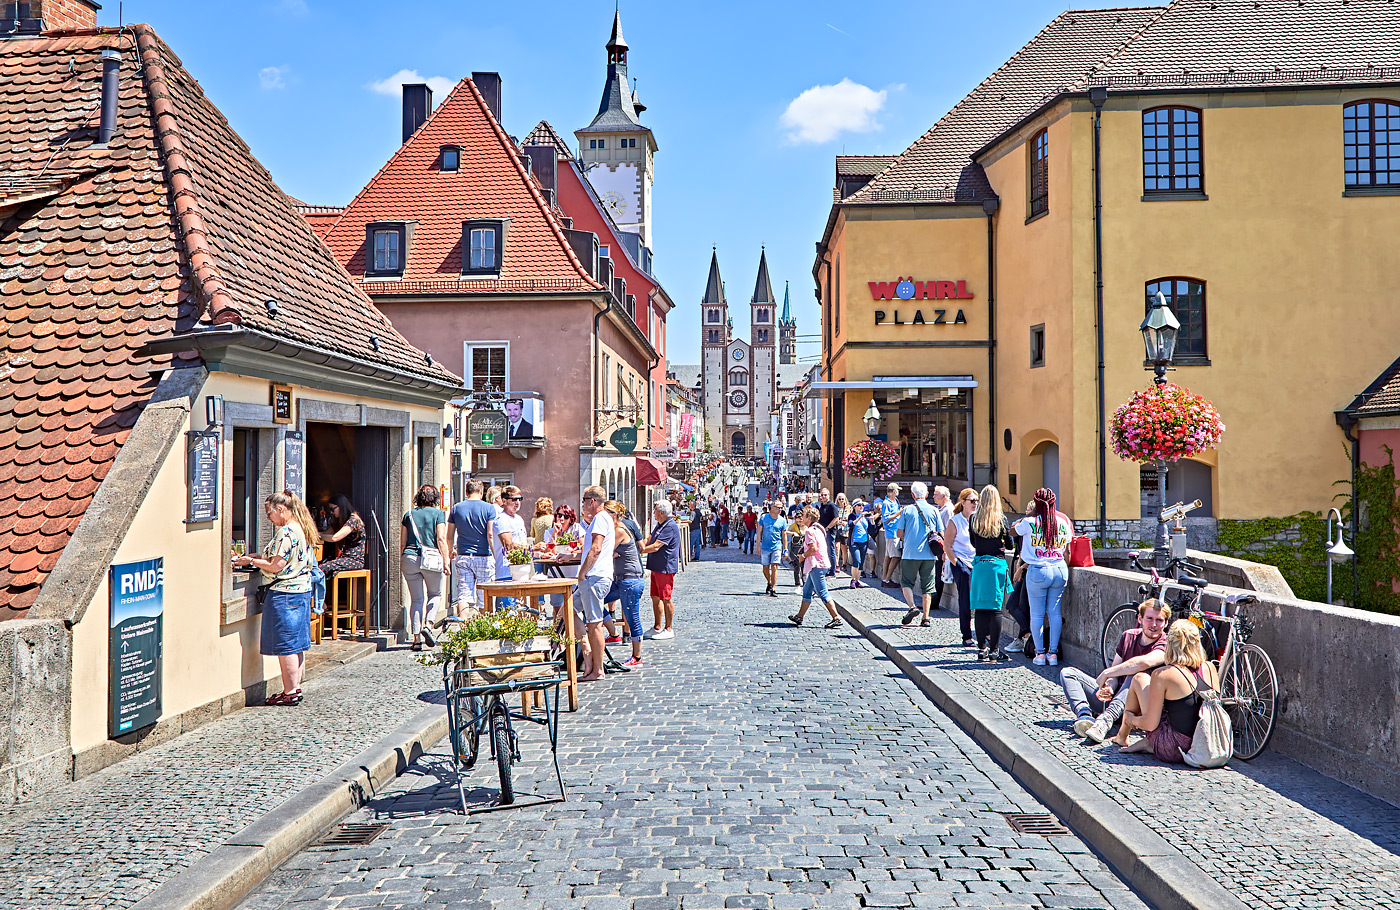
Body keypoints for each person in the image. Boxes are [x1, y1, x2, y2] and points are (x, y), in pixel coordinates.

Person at [233, 491, 317, 706]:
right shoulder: (301, 528)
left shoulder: (286, 532)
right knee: (295, 644)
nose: (268, 517)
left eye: (269, 512)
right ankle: (294, 689)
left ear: (281, 509)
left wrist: (249, 562)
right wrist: (254, 557)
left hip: (284, 592)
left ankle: (289, 692)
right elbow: (281, 558)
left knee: (286, 645)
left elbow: (276, 566)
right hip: (301, 591)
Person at [1112, 619, 1220, 762]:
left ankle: (1122, 735)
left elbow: (1150, 724)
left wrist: (1130, 719)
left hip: (1175, 748)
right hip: (1207, 743)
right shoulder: (1210, 668)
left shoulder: (1163, 674)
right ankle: (1144, 743)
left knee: (1139, 678)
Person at [1065, 600, 1170, 742]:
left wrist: (1107, 673)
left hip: (1139, 709)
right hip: (1117, 699)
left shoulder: (1166, 644)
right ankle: (1085, 716)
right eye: (1149, 619)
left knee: (1136, 675)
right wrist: (1109, 686)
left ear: (1166, 623)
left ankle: (1105, 721)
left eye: (1159, 620)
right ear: (1140, 619)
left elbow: (1144, 662)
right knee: (1068, 673)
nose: (1154, 625)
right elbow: (1116, 672)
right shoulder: (1128, 636)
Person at [1013, 487, 1073, 666]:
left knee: (1037, 615)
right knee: (1055, 613)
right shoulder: (1062, 522)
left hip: (1038, 570)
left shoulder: (1029, 521)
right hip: (1060, 569)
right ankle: (1053, 654)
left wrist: (1029, 515)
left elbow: (1011, 531)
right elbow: (1068, 551)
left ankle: (1040, 654)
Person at [967, 484, 1015, 661]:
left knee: (980, 608)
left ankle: (981, 648)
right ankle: (994, 649)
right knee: (995, 609)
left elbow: (973, 543)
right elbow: (1010, 545)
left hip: (980, 565)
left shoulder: (973, 519)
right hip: (997, 566)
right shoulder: (1001, 519)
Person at [401, 484, 449, 652]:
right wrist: (446, 560)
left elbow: (403, 541)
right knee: (435, 594)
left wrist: (406, 558)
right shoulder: (438, 514)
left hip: (409, 557)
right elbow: (441, 539)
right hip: (431, 559)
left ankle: (415, 640)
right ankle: (428, 625)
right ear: (435, 498)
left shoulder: (408, 515)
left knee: (416, 599)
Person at [576, 486, 615, 681]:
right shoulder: (603, 519)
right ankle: (588, 657)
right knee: (568, 610)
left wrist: (583, 572)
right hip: (595, 576)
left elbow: (596, 548)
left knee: (594, 624)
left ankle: (597, 670)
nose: (582, 503)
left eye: (584, 499)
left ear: (592, 501)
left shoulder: (600, 518)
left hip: (594, 576)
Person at [603, 501, 646, 666]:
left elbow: (604, 550)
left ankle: (637, 657)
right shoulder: (615, 529)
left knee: (632, 617)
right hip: (621, 580)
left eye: (605, 513)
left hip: (631, 580)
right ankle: (614, 634)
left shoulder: (619, 530)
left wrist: (610, 553)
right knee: (593, 599)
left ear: (613, 515)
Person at [896, 482, 945, 627]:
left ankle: (912, 607)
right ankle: (926, 618)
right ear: (927, 495)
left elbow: (899, 533)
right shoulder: (934, 510)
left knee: (906, 582)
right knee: (928, 587)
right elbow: (941, 533)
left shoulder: (907, 510)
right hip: (929, 555)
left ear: (912, 495)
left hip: (910, 553)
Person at [787, 506, 842, 629]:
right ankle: (799, 617)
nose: (802, 517)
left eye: (804, 515)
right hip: (821, 563)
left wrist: (802, 556)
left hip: (816, 564)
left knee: (822, 592)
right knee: (807, 591)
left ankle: (836, 617)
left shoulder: (809, 531)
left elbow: (813, 549)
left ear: (809, 518)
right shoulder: (820, 528)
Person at [447, 480, 495, 619]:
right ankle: (485, 628)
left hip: (463, 555)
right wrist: (495, 555)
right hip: (484, 555)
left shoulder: (456, 508)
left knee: (463, 594)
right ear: (481, 492)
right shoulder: (489, 508)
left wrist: (451, 550)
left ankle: (463, 628)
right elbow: (490, 534)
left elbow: (449, 535)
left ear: (466, 492)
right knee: (484, 594)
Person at [942, 488, 980, 647]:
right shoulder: (955, 521)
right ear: (963, 502)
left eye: (977, 501)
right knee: (965, 600)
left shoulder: (979, 520)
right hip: (962, 563)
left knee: (981, 600)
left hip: (978, 562)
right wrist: (957, 563)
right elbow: (947, 546)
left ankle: (983, 634)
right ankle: (967, 635)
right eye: (972, 501)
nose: (975, 504)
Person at [640, 499, 681, 646]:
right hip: (656, 567)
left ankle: (668, 628)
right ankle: (657, 627)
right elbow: (650, 539)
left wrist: (639, 551)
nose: (654, 513)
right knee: (655, 597)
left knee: (666, 598)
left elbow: (656, 546)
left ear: (661, 513)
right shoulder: (660, 525)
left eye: (655, 510)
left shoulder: (669, 527)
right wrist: (640, 543)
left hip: (665, 567)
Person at [490, 486, 528, 612]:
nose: (517, 502)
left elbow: (522, 543)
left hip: (520, 572)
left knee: (520, 611)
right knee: (508, 614)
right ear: (504, 500)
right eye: (514, 499)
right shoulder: (502, 519)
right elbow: (509, 545)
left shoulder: (519, 519)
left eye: (519, 499)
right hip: (506, 573)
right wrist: (532, 547)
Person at [318, 493, 366, 577]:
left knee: (322, 568)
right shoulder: (343, 521)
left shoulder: (353, 520)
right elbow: (326, 533)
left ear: (341, 506)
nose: (331, 512)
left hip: (354, 560)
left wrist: (318, 536)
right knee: (322, 566)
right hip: (345, 558)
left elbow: (335, 538)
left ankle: (317, 590)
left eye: (333, 509)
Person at [757, 501, 789, 596]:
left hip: (777, 546)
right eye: (778, 507)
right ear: (772, 508)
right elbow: (759, 532)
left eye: (781, 507)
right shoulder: (763, 518)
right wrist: (757, 545)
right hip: (765, 547)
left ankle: (773, 589)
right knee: (765, 568)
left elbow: (784, 536)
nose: (780, 509)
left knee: (774, 566)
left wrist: (785, 549)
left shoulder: (782, 520)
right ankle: (770, 582)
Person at [931, 486, 953, 609]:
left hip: (943, 547)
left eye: (936, 494)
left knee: (938, 574)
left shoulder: (948, 510)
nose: (933, 496)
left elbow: (949, 531)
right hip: (940, 546)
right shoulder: (942, 509)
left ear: (944, 496)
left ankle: (934, 602)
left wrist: (946, 550)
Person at [880, 483, 902, 587]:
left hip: (893, 532)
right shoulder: (887, 503)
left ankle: (884, 579)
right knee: (896, 556)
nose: (898, 492)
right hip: (892, 533)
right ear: (894, 491)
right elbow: (886, 519)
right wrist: (898, 513)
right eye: (897, 490)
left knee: (888, 556)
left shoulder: (894, 501)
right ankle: (887, 580)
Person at [848, 501, 870, 588]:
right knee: (856, 561)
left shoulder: (866, 517)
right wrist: (860, 517)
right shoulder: (852, 516)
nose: (861, 507)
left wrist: (872, 522)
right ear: (854, 507)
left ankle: (857, 580)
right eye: (859, 505)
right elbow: (850, 524)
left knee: (861, 563)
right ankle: (853, 580)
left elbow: (871, 529)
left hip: (864, 542)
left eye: (862, 505)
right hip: (854, 542)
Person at [831, 492, 851, 575]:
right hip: (837, 529)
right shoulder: (835, 507)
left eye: (842, 499)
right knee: (836, 547)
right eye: (839, 499)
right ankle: (836, 565)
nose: (841, 500)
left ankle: (844, 564)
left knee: (845, 548)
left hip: (845, 529)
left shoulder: (849, 508)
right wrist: (837, 522)